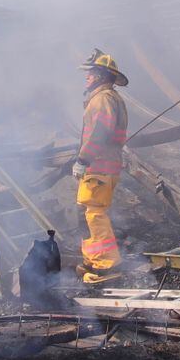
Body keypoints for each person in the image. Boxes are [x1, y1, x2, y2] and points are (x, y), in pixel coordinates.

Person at [73, 50, 130, 284]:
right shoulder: (109, 98)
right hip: (105, 166)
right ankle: (94, 259)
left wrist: (82, 160)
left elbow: (99, 133)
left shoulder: (102, 99)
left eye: (91, 73)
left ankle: (106, 265)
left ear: (102, 75)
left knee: (95, 214)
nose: (87, 77)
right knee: (90, 213)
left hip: (98, 166)